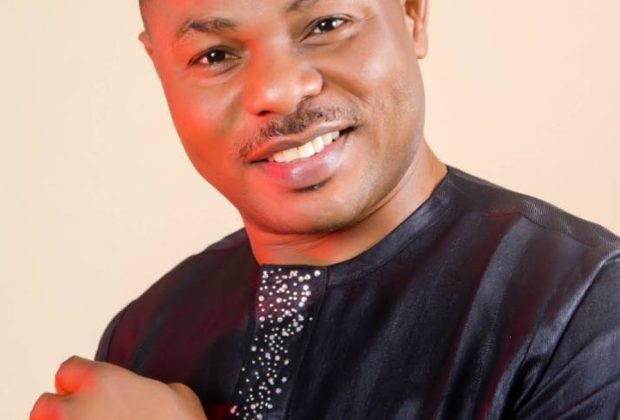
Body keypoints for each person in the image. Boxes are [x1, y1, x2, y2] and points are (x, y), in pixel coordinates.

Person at [30, 0, 620, 419]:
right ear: (160, 67)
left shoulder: (581, 305)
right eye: (215, 55)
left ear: (412, 13)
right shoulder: (144, 334)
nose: (278, 90)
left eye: (326, 24)